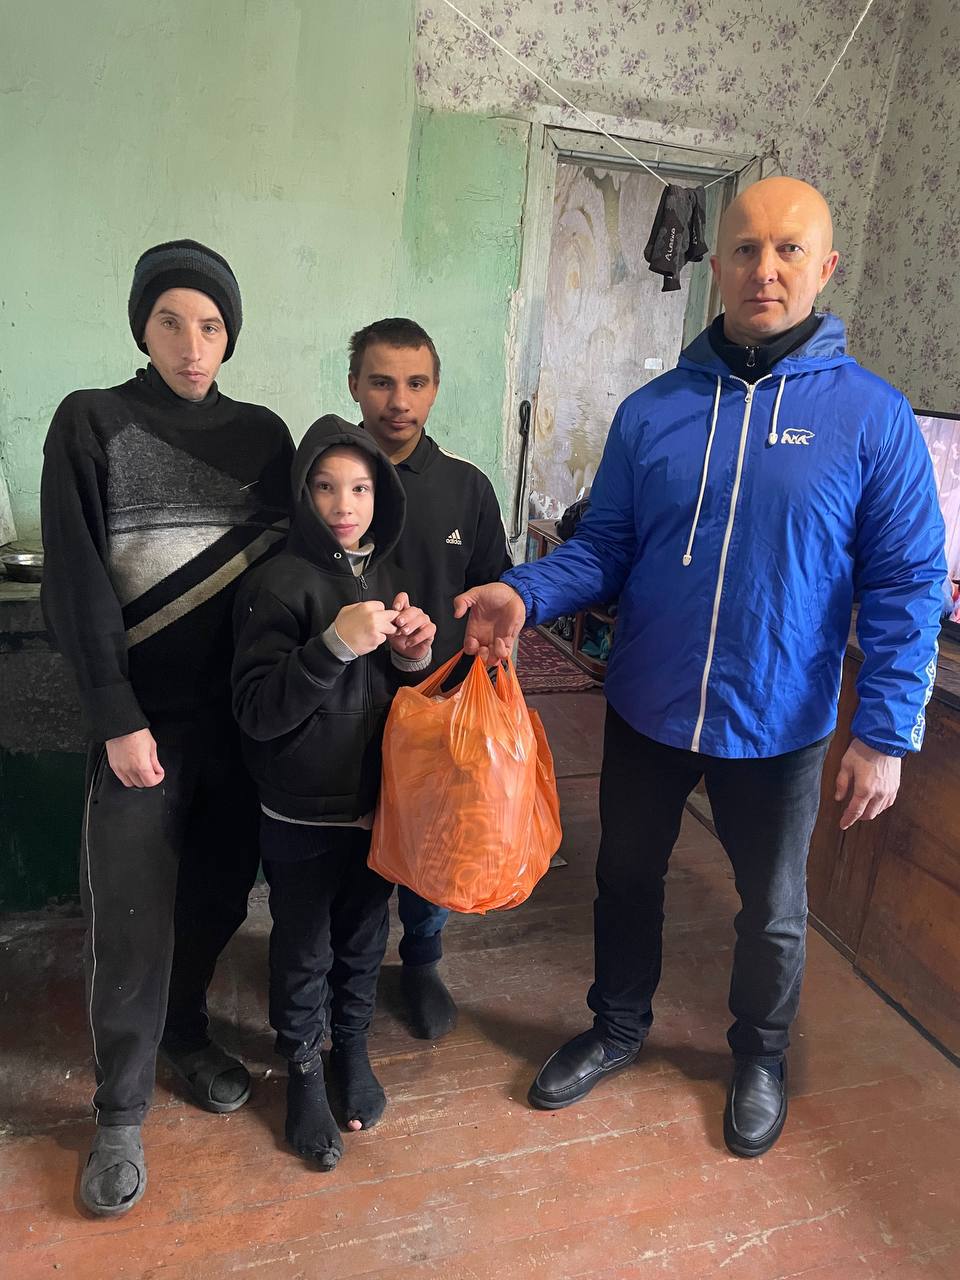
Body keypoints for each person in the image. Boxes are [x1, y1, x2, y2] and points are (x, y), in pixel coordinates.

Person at [454, 177, 946, 1157]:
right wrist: (525, 591)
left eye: (789, 250)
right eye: (747, 248)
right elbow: (606, 546)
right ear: (716, 264)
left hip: (780, 719)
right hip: (650, 704)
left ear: (825, 266)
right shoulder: (654, 413)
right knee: (625, 876)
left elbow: (907, 581)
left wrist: (886, 733)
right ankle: (616, 1025)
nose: (766, 269)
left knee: (773, 911)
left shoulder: (872, 418)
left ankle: (760, 1056)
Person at [40, 240, 294, 1215]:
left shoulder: (264, 437)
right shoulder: (93, 420)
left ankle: (185, 1031)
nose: (194, 345)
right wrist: (116, 717)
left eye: (212, 326)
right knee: (132, 915)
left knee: (218, 898)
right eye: (172, 322)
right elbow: (75, 582)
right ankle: (118, 1109)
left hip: (239, 727)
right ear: (142, 328)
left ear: (232, 336)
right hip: (142, 731)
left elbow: (290, 573)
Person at [231, 416, 435, 1170]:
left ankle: (350, 1048)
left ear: (381, 494)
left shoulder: (387, 571)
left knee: (364, 936)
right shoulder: (276, 584)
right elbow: (258, 710)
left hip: (375, 805)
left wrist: (413, 655)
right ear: (302, 493)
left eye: (359, 487)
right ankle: (303, 1069)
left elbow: (397, 695)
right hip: (301, 811)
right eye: (324, 487)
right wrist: (334, 646)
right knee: (304, 945)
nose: (344, 505)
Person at [347, 318, 513, 1039]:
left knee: (434, 847)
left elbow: (496, 590)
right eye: (381, 382)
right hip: (347, 703)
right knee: (354, 853)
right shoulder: (330, 481)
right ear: (354, 385)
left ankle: (422, 961)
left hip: (439, 705)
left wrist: (491, 668)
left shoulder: (466, 488)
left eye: (416, 383)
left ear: (436, 389)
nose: (399, 401)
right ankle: (346, 971)